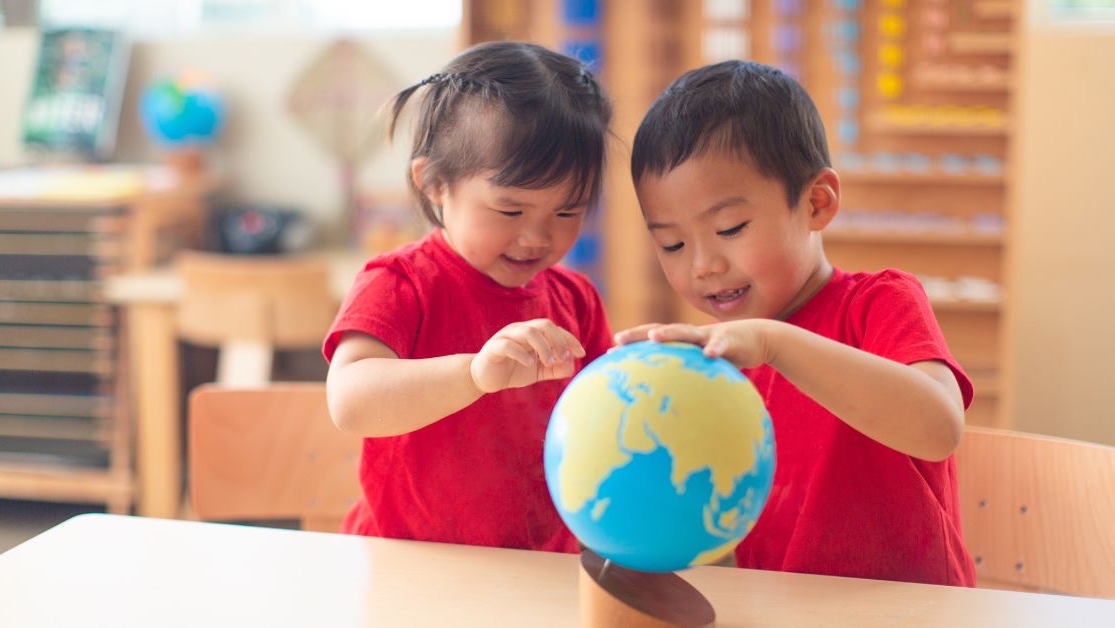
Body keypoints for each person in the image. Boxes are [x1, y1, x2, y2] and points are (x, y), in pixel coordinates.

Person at [615, 60, 976, 586]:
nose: (703, 265)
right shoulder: (720, 362)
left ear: (816, 202)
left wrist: (776, 343)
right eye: (672, 243)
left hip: (911, 613)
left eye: (730, 227)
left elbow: (938, 428)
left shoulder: (879, 301)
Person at [322, 42, 613, 552]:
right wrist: (474, 374)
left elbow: (604, 422)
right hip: (411, 563)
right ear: (434, 182)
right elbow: (351, 401)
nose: (537, 238)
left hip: (541, 570)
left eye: (567, 212)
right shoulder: (400, 283)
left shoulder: (575, 299)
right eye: (509, 210)